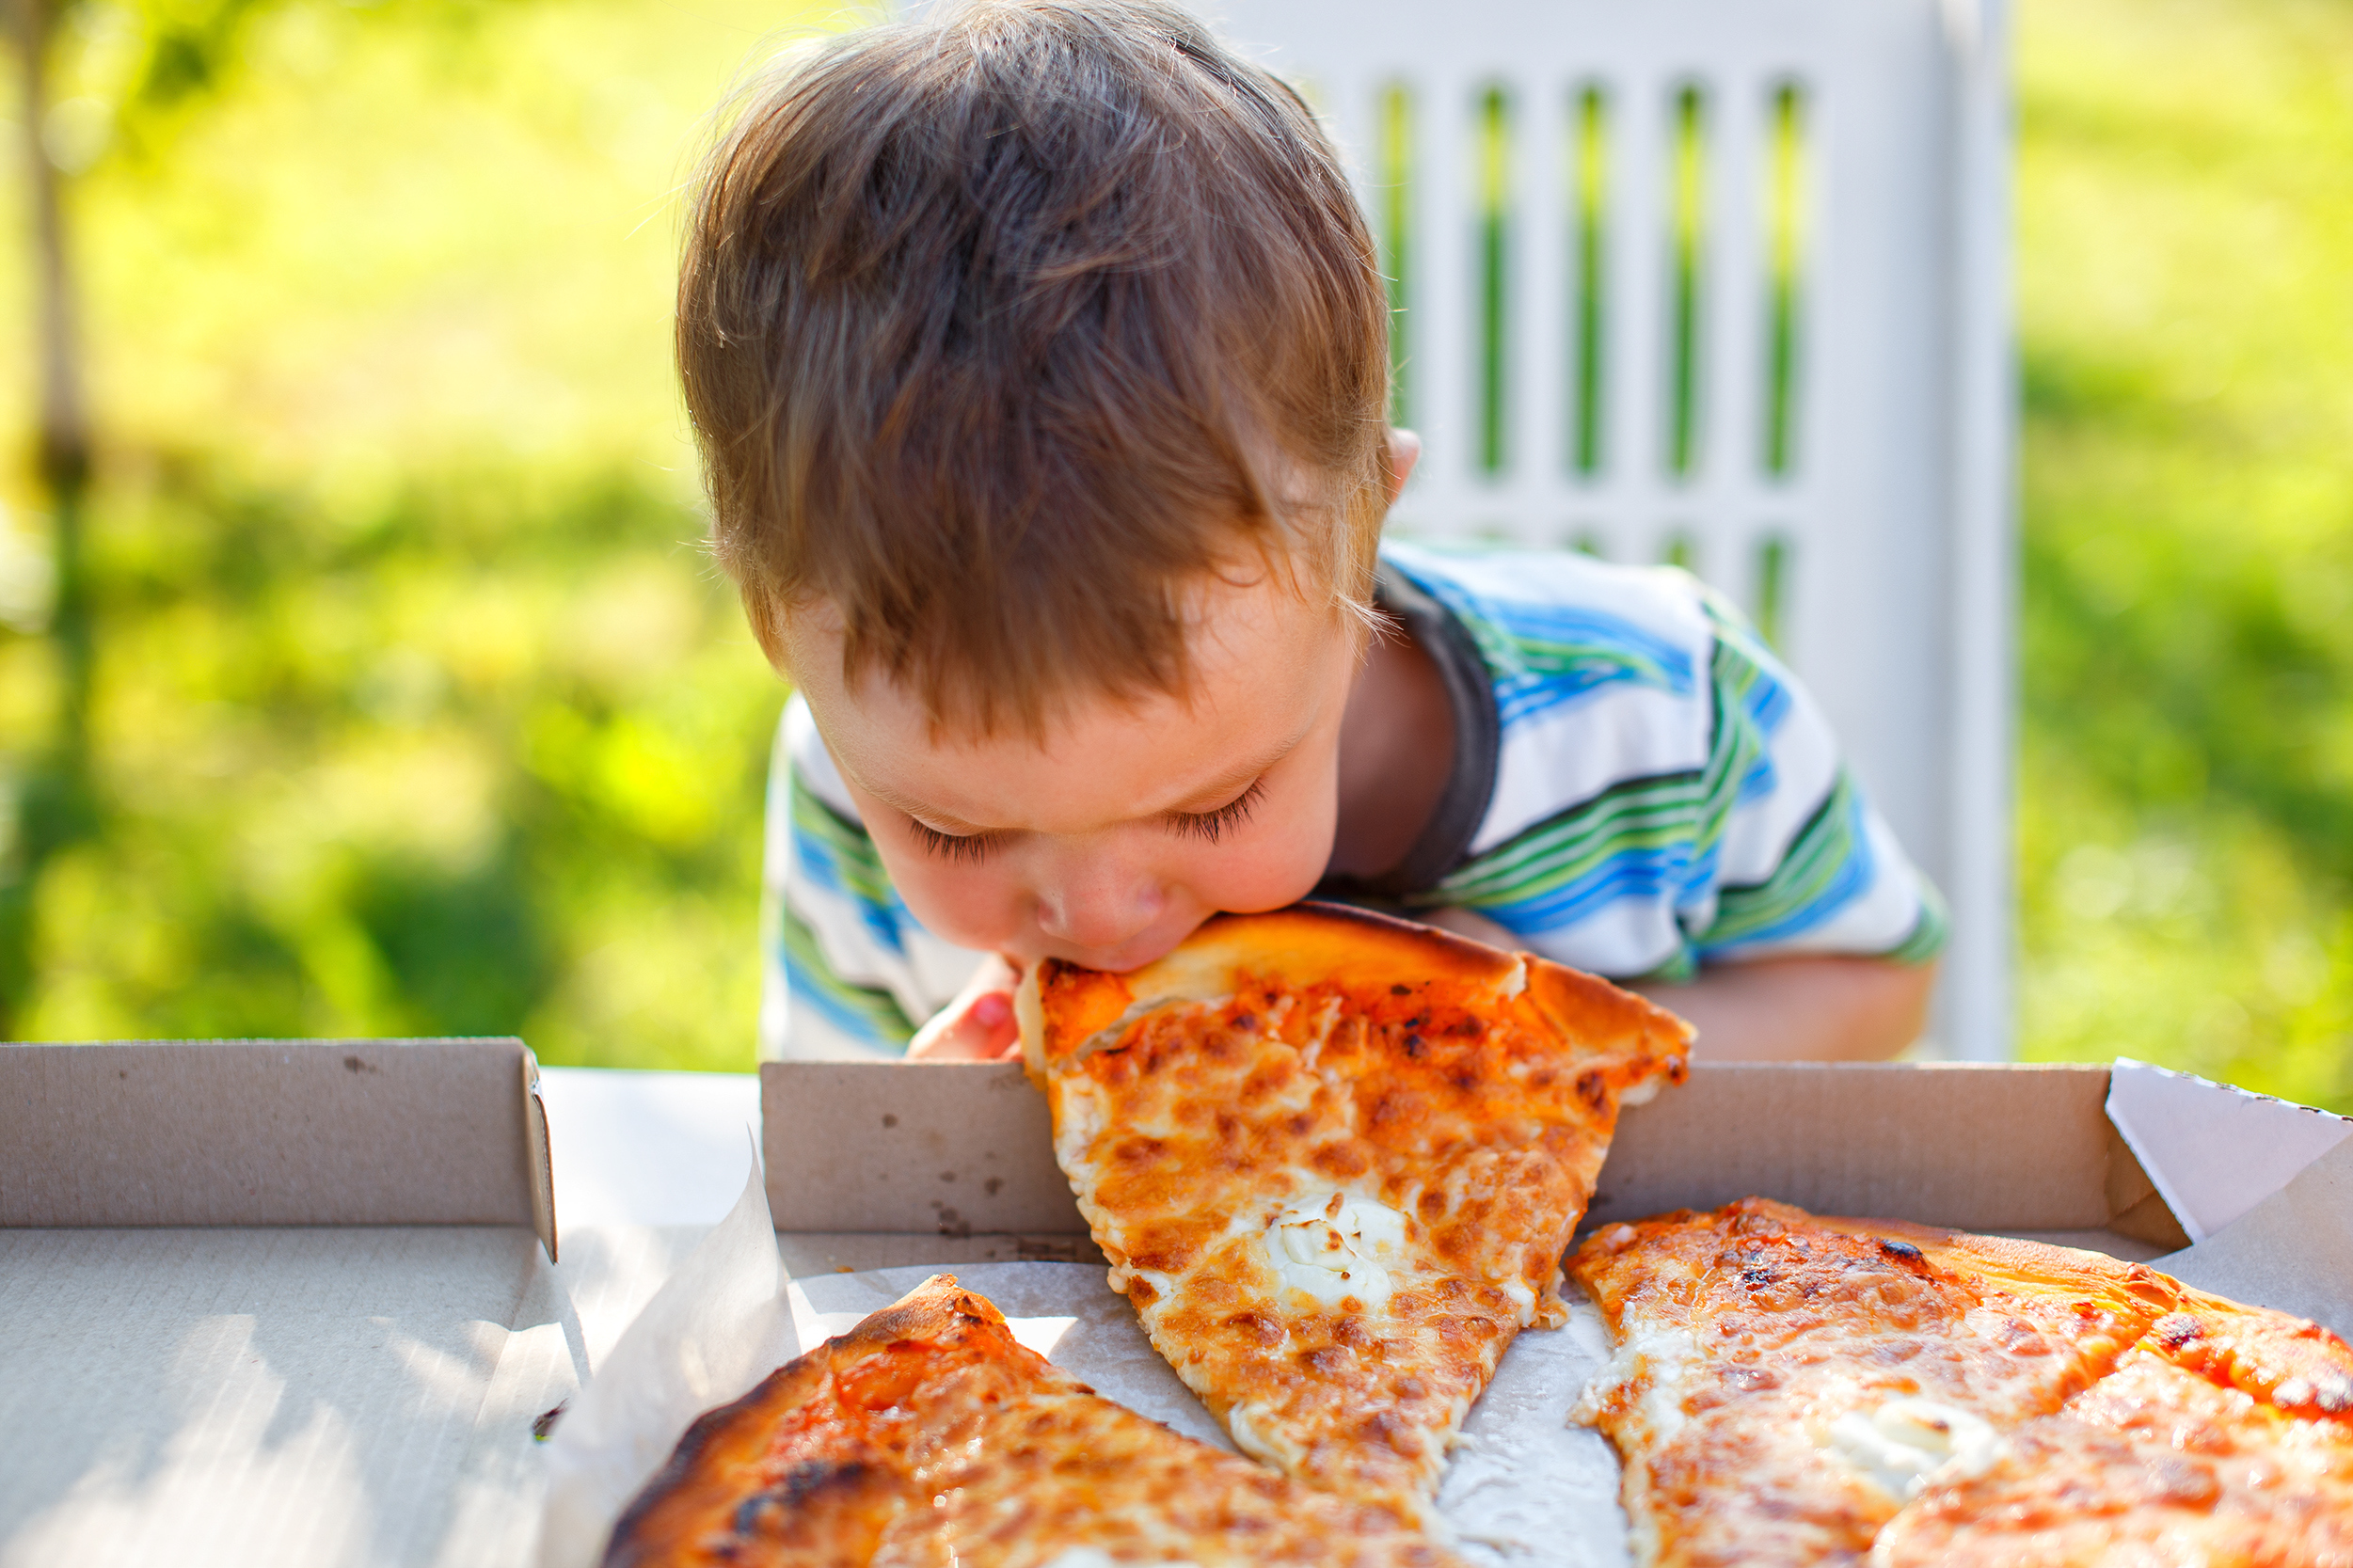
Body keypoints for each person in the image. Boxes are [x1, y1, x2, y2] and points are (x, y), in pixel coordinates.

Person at [678, 0, 1944, 1067]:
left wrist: (1571, 1039)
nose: (1102, 918)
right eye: (960, 835)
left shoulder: (1658, 713)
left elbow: (1878, 988)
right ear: (772, 627)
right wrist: (938, 1147)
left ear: (1366, 538)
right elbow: (844, 1175)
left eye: (1218, 803)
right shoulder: (850, 780)